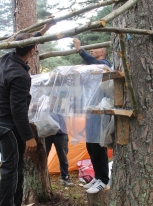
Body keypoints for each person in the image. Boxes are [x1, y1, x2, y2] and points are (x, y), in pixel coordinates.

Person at [0, 22, 54, 206]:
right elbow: (17, 110)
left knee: (14, 169)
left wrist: (43, 30)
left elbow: (24, 41)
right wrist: (28, 137)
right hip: (9, 128)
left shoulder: (6, 58)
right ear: (33, 51)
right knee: (11, 171)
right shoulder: (20, 75)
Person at [73, 38, 111, 194]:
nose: (91, 50)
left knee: (98, 146)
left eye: (94, 48)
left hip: (100, 113)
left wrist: (80, 50)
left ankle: (103, 180)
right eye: (89, 49)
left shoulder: (105, 64)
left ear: (102, 52)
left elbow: (95, 65)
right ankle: (97, 176)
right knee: (90, 145)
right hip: (90, 113)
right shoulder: (92, 67)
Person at [45, 115, 74, 187]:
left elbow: (69, 116)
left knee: (63, 157)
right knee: (43, 157)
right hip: (46, 133)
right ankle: (42, 177)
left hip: (61, 133)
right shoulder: (45, 105)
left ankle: (65, 178)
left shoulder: (62, 105)